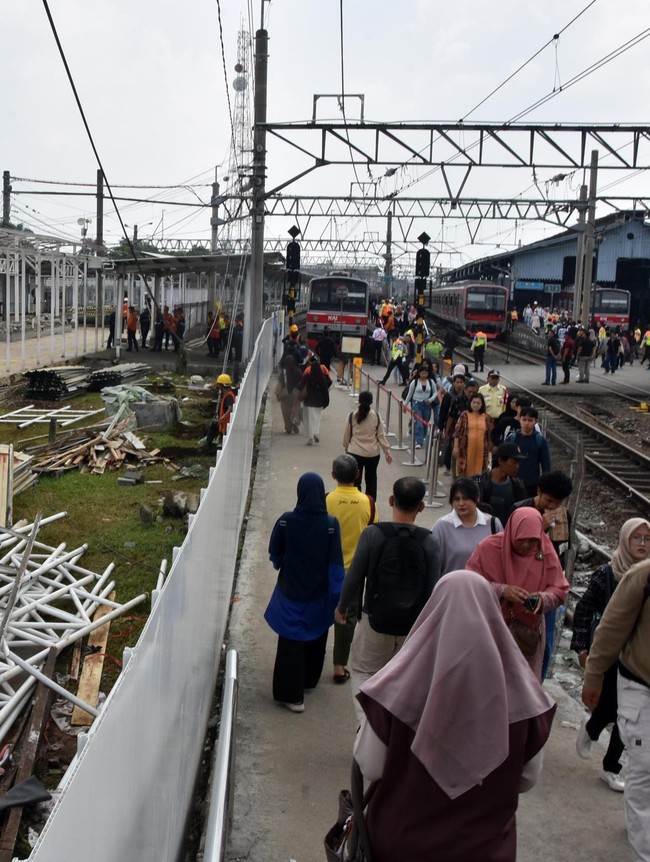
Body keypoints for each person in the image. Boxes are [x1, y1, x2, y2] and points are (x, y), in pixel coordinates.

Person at [353, 570, 556, 862]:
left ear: (432, 614)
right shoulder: (525, 699)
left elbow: (370, 766)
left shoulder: (395, 689)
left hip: (401, 846)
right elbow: (527, 779)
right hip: (486, 850)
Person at [335, 477, 441, 724]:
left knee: (364, 671)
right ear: (421, 507)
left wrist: (342, 608)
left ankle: (367, 725)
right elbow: (434, 589)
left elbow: (354, 576)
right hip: (412, 627)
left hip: (375, 620)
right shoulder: (430, 541)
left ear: (391, 500)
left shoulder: (373, 534)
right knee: (403, 679)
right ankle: (394, 731)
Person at [572, 517, 650, 794]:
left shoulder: (646, 574)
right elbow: (583, 609)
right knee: (609, 709)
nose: (642, 544)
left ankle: (611, 767)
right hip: (607, 655)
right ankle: (592, 729)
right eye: (636, 538)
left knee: (624, 716)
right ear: (625, 539)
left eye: (647, 539)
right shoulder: (608, 573)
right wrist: (583, 648)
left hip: (634, 661)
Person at [582, 555, 650, 860]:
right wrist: (594, 676)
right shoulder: (643, 576)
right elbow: (610, 630)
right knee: (645, 767)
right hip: (640, 684)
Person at [265, 473, 344, 712]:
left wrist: (281, 563)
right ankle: (309, 679)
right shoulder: (331, 525)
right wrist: (337, 598)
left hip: (290, 592)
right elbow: (335, 563)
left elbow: (275, 552)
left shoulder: (286, 521)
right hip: (319, 594)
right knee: (316, 634)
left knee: (291, 641)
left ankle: (293, 696)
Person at [467, 507, 569, 677]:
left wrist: (541, 599)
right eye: (521, 539)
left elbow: (559, 588)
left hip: (527, 633)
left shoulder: (544, 549)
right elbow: (469, 583)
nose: (527, 545)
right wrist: (501, 590)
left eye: (532, 540)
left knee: (522, 684)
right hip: (488, 630)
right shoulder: (489, 548)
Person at [513, 470, 574, 679]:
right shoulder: (520, 509)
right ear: (539, 491)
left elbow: (564, 550)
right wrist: (541, 528)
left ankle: (537, 680)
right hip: (521, 583)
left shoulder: (564, 516)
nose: (552, 506)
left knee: (545, 639)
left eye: (557, 502)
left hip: (548, 584)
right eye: (548, 500)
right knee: (518, 634)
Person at [326, 455, 379, 684]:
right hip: (355, 571)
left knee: (322, 610)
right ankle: (339, 666)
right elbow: (373, 532)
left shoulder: (326, 500)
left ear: (333, 475)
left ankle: (314, 655)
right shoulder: (367, 503)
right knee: (346, 618)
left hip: (328, 568)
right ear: (358, 474)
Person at [432, 478, 503, 575]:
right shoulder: (442, 526)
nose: (461, 503)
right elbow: (433, 564)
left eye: (466, 498)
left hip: (484, 588)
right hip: (452, 587)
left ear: (477, 498)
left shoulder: (493, 524)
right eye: (457, 499)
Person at [343, 390, 393, 501]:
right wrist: (387, 452)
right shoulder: (376, 416)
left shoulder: (352, 415)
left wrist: (346, 447)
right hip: (372, 453)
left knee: (356, 480)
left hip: (355, 451)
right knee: (371, 479)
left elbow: (347, 434)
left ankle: (357, 502)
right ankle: (371, 504)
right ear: (371, 401)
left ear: (359, 400)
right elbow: (381, 435)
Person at [470, 442, 529, 525]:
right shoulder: (478, 482)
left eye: (518, 462)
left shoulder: (517, 486)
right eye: (514, 462)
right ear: (501, 460)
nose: (517, 466)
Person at [506, 406, 552, 496]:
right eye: (524, 420)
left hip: (532, 485)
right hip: (512, 484)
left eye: (530, 420)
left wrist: (545, 485)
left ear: (536, 421)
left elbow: (546, 465)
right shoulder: (511, 439)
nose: (527, 423)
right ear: (520, 419)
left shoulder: (540, 441)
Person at [453, 392, 491, 477]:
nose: (476, 405)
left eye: (478, 403)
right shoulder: (464, 415)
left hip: (482, 450)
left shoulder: (487, 417)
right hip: (466, 449)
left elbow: (489, 434)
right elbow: (457, 432)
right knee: (465, 472)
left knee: (480, 474)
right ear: (470, 403)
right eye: (474, 402)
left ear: (482, 404)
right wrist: (456, 447)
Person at [296, 356, 330, 445]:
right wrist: (326, 402)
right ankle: (315, 432)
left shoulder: (308, 376)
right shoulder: (322, 378)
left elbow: (300, 385)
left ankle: (310, 437)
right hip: (318, 403)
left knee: (308, 420)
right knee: (316, 419)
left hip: (308, 402)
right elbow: (325, 391)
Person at [402, 364, 437, 450]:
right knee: (419, 423)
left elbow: (435, 392)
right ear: (419, 374)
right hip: (417, 403)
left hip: (427, 404)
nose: (424, 375)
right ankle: (419, 441)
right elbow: (409, 394)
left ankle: (423, 436)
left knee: (425, 421)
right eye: (422, 373)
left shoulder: (431, 382)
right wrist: (405, 405)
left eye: (425, 373)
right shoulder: (415, 382)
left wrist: (431, 399)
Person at [204, 373, 236, 448]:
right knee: (213, 427)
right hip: (224, 422)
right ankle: (212, 444)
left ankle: (208, 446)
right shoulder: (227, 394)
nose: (218, 388)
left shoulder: (228, 396)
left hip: (225, 422)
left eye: (219, 385)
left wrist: (223, 418)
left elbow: (230, 408)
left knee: (213, 428)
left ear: (222, 386)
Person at [276, 353, 302, 434]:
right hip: (296, 393)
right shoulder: (298, 371)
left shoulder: (283, 374)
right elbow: (302, 382)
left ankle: (288, 427)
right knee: (295, 409)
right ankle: (295, 421)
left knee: (285, 411)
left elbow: (279, 385)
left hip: (286, 394)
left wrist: (277, 393)